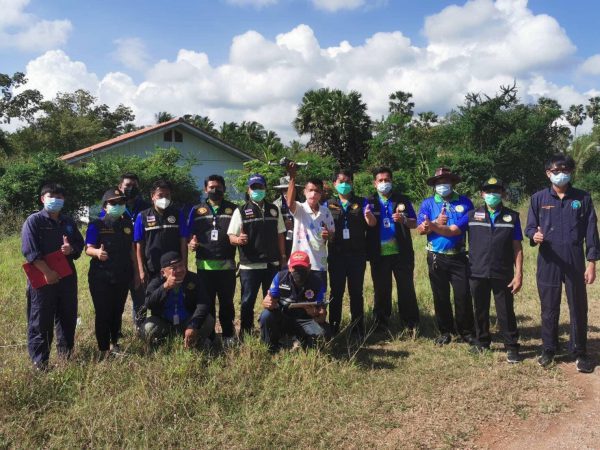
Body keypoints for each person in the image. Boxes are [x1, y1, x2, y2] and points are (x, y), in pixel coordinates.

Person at [525, 154, 599, 373]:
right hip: (549, 258)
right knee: (549, 306)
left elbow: (591, 232)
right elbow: (530, 227)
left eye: (565, 170)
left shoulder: (583, 198)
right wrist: (534, 235)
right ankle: (549, 348)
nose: (561, 174)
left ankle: (580, 351)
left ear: (571, 172)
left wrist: (592, 262)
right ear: (548, 173)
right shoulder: (538, 198)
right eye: (556, 171)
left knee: (578, 305)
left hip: (574, 258)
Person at [21, 182, 84, 370]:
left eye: (59, 197)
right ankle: (40, 363)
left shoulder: (68, 222)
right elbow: (30, 251)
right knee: (41, 320)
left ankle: (66, 356)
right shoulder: (34, 221)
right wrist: (47, 273)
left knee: (67, 316)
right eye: (51, 196)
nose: (55, 200)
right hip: (43, 278)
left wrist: (71, 249)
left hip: (67, 277)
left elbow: (79, 244)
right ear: (43, 199)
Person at [467, 178, 523, 363]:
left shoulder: (512, 217)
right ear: (482, 194)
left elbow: (517, 247)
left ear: (503, 194)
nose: (492, 194)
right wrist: (433, 226)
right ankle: (482, 342)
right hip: (477, 271)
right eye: (488, 191)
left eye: (496, 191)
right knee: (480, 309)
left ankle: (511, 346)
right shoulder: (471, 215)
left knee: (505, 310)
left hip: (502, 272)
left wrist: (518, 273)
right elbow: (452, 230)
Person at [417, 167, 475, 345]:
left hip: (459, 256)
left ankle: (466, 332)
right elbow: (420, 229)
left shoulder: (465, 203)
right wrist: (434, 223)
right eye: (439, 182)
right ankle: (445, 331)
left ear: (452, 183)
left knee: (463, 295)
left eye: (446, 181)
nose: (443, 185)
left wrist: (432, 225)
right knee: (440, 296)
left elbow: (458, 229)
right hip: (436, 257)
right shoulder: (427, 204)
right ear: (434, 185)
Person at [227, 174, 286, 335]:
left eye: (260, 187)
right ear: (248, 190)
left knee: (273, 299)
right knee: (247, 301)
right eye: (254, 187)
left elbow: (280, 234)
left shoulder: (274, 210)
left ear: (265, 189)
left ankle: (271, 332)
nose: (257, 190)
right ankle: (246, 332)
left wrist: (283, 257)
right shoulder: (241, 211)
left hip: (272, 264)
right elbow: (231, 236)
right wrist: (238, 239)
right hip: (250, 265)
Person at [366, 167, 419, 332]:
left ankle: (410, 323)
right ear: (375, 183)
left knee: (406, 288)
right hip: (379, 254)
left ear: (392, 181)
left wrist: (404, 220)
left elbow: (414, 223)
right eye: (380, 180)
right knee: (381, 290)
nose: (384, 183)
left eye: (387, 180)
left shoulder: (402, 200)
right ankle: (380, 323)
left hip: (402, 253)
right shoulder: (369, 201)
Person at [187, 174, 238, 346]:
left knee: (227, 304)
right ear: (205, 189)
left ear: (224, 189)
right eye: (211, 187)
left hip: (227, 267)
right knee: (206, 304)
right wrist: (191, 243)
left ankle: (228, 335)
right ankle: (209, 336)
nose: (215, 190)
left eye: (218, 187)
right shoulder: (196, 210)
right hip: (204, 267)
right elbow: (189, 234)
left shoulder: (234, 209)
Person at [85, 188, 136, 358]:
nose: (118, 205)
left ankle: (115, 343)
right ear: (105, 206)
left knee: (117, 311)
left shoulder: (127, 224)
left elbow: (132, 250)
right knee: (103, 312)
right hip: (101, 276)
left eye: (121, 202)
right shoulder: (96, 224)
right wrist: (97, 253)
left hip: (122, 274)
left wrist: (137, 273)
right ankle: (103, 349)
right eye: (113, 203)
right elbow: (88, 248)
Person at [326, 169, 376, 337]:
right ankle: (334, 327)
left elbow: (372, 223)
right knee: (336, 292)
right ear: (335, 184)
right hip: (336, 255)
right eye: (341, 182)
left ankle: (358, 328)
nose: (344, 184)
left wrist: (368, 216)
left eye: (347, 181)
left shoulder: (362, 202)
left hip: (357, 255)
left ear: (352, 183)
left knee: (356, 293)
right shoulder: (327, 204)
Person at [259, 251, 330, 352]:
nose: (298, 271)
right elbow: (269, 300)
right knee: (266, 315)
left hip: (305, 319)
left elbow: (321, 315)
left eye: (302, 268)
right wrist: (266, 303)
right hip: (284, 316)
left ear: (309, 267)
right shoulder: (280, 277)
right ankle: (271, 347)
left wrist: (315, 314)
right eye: (295, 268)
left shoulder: (317, 282)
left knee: (322, 334)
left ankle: (301, 343)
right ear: (289, 267)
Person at [142, 252, 215, 348]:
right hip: (165, 322)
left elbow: (203, 303)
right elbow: (148, 303)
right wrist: (165, 287)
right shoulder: (157, 281)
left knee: (208, 320)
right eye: (173, 268)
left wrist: (193, 325)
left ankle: (195, 341)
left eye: (181, 265)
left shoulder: (193, 279)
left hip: (186, 322)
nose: (179, 270)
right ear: (163, 273)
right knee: (148, 327)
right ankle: (165, 343)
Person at [286, 162, 335, 288]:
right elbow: (289, 203)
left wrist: (328, 235)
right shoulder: (300, 208)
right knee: (298, 297)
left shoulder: (326, 212)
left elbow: (332, 236)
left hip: (320, 265)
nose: (313, 194)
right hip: (299, 263)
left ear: (321, 193)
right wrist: (292, 178)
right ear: (304, 191)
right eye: (310, 190)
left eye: (317, 191)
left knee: (319, 298)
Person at [133, 179, 188, 287]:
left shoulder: (178, 214)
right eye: (160, 195)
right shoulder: (142, 216)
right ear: (152, 196)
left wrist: (184, 266)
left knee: (174, 296)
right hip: (152, 269)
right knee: (154, 296)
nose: (164, 199)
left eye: (167, 195)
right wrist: (141, 270)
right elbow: (139, 246)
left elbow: (183, 242)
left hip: (173, 269)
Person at [273, 176, 301, 260]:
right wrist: (283, 225)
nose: (287, 192)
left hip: (299, 240)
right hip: (282, 240)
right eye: (284, 190)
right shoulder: (275, 205)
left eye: (289, 189)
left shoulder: (302, 204)